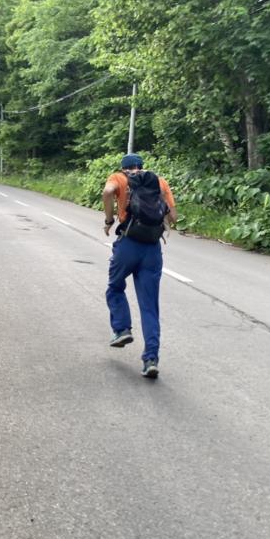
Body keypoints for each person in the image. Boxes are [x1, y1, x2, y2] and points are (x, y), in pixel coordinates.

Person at [102, 153, 177, 378]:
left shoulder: (119, 178)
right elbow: (173, 217)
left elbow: (107, 192)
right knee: (149, 306)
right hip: (152, 249)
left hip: (128, 244)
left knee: (115, 287)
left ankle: (122, 329)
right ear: (142, 166)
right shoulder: (159, 182)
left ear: (123, 167)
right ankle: (151, 359)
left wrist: (109, 220)